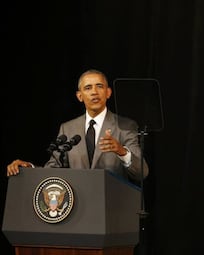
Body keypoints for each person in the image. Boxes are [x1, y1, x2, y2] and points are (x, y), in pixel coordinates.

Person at [6, 69, 149, 184]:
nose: (94, 92)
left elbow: (141, 173)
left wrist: (122, 151)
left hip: (113, 207)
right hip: (79, 209)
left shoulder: (125, 126)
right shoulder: (68, 128)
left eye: (99, 86)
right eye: (88, 88)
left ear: (108, 92)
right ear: (79, 96)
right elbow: (52, 170)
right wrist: (28, 168)